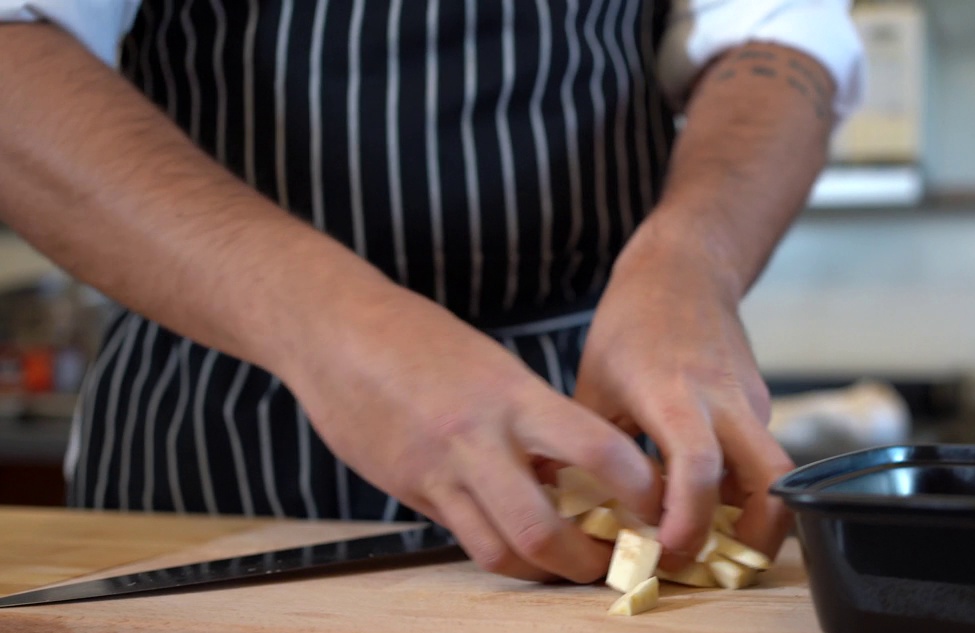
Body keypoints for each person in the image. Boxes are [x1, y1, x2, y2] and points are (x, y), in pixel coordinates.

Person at [0, 1, 862, 584]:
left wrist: (694, 259)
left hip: (595, 410)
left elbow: (780, 30)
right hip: (218, 421)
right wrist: (330, 325)